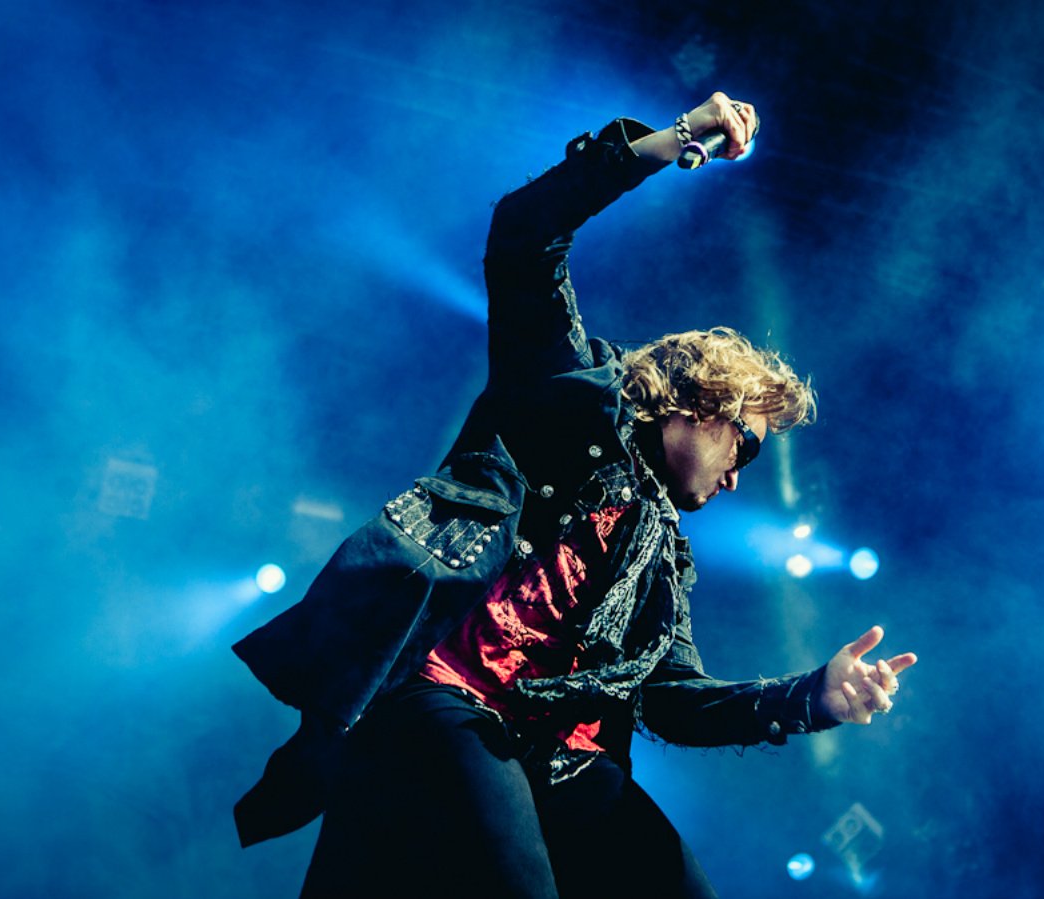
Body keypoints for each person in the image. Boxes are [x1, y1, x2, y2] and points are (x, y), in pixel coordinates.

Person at [231, 92, 918, 898]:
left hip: (554, 749)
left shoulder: (659, 556)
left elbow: (674, 701)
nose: (738, 476)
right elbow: (524, 235)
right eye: (747, 446)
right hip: (442, 693)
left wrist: (811, 698)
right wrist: (673, 139)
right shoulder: (569, 397)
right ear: (702, 401)